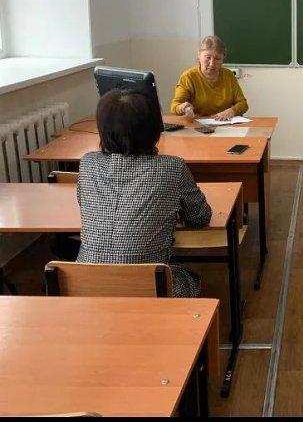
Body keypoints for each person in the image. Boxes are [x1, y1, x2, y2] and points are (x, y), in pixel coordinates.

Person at [77, 89, 212, 297]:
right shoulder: (172, 167)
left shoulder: (88, 163)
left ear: (102, 129)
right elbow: (200, 218)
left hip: (85, 288)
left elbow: (83, 203)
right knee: (190, 278)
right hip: (150, 289)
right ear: (154, 128)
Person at [170, 35, 248, 121]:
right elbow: (175, 106)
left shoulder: (228, 75)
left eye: (217, 59)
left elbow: (243, 104)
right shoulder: (188, 76)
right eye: (208, 57)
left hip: (225, 123)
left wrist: (232, 111)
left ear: (223, 59)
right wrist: (183, 108)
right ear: (199, 56)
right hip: (199, 124)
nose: (212, 63)